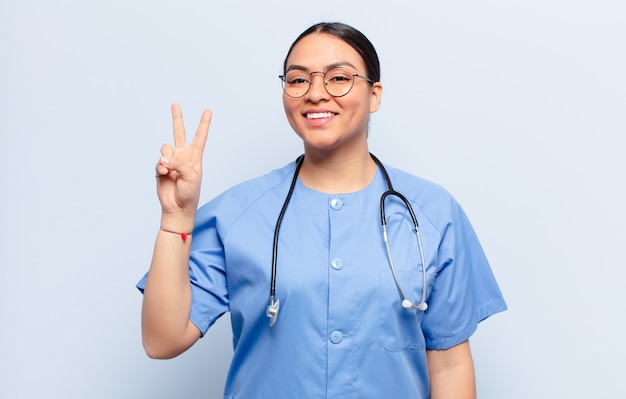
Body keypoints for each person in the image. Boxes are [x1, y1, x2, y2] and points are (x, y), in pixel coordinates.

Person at [137, 22, 507, 398]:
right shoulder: (239, 213)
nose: (315, 93)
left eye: (338, 78)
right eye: (298, 80)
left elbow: (449, 363)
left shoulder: (432, 214)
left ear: (374, 95)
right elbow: (162, 340)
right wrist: (176, 219)